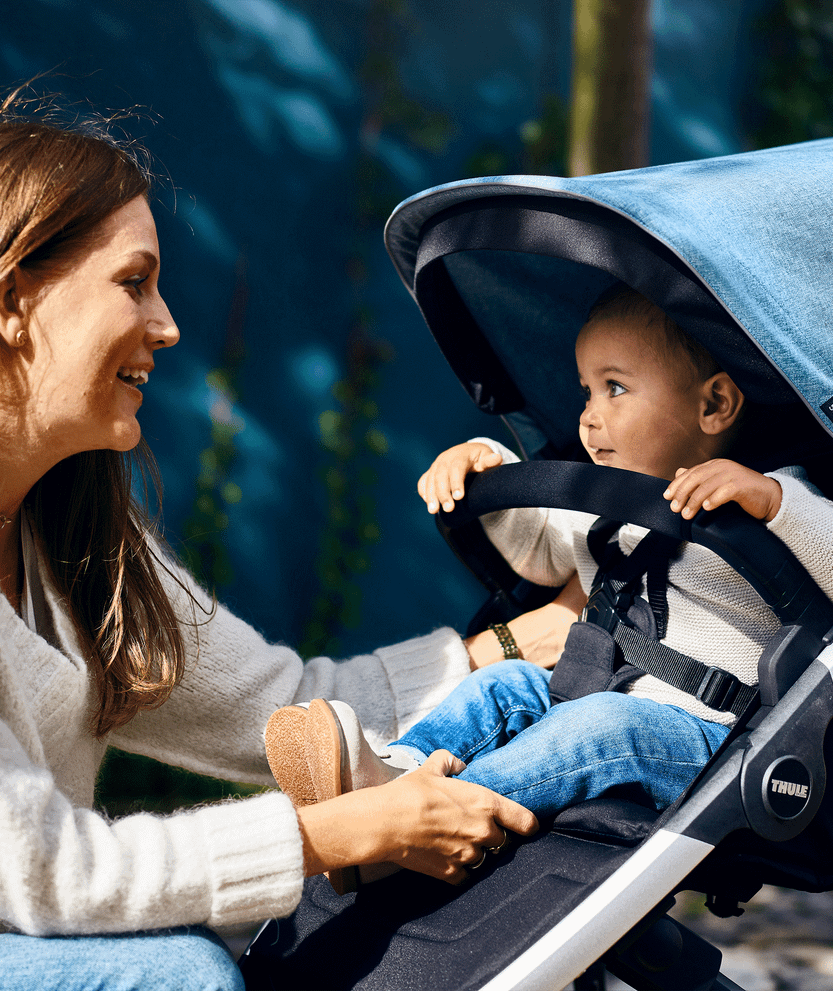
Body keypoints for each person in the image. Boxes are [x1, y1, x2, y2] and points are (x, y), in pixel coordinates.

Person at [0, 95, 566, 991]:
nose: (167, 325)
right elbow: (50, 872)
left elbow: (297, 707)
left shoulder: (79, 546)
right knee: (176, 975)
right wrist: (352, 830)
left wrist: (511, 646)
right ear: (14, 298)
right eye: (133, 281)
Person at [270, 286, 833, 832]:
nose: (588, 416)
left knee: (599, 727)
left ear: (714, 406)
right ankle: (390, 774)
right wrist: (487, 468)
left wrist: (775, 500)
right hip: (589, 692)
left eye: (614, 388)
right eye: (586, 391)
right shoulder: (604, 500)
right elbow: (539, 559)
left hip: (706, 738)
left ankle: (425, 818)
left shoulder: (767, 495)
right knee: (502, 684)